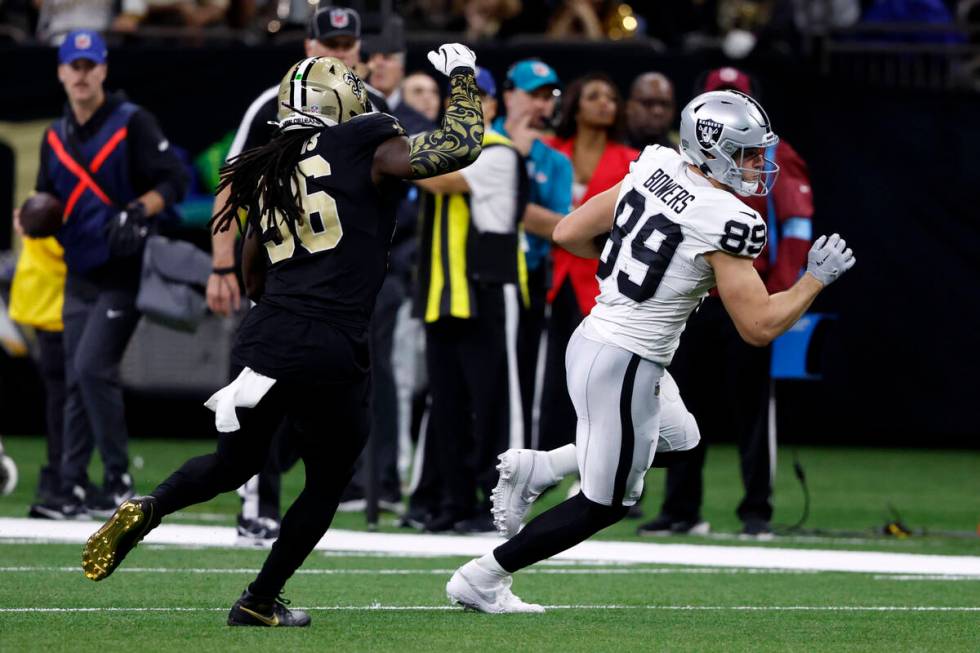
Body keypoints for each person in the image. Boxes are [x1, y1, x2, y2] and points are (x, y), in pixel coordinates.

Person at [83, 43, 484, 627]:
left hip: (267, 336)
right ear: (343, 99)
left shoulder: (269, 162)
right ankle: (259, 599)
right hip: (331, 342)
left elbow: (251, 263)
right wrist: (463, 76)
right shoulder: (362, 141)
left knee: (233, 464)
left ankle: (152, 504)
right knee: (327, 479)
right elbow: (460, 145)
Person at [446, 88, 855, 613]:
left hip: (596, 338)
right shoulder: (727, 218)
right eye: (748, 152)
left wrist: (655, 275)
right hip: (625, 361)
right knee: (606, 502)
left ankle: (544, 466)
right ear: (711, 148)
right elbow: (757, 327)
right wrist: (814, 280)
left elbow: (569, 232)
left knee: (681, 442)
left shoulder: (654, 166)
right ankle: (483, 577)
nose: (759, 164)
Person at [205, 3, 391, 542]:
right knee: (262, 398)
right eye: (328, 45)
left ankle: (310, 492)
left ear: (359, 51)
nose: (337, 54)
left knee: (322, 405)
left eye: (346, 46)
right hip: (289, 282)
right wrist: (222, 263)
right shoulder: (273, 104)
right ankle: (257, 503)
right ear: (309, 47)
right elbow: (231, 185)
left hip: (342, 288)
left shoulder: (372, 111)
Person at [638, 67, 815, 538]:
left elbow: (796, 224)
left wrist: (779, 292)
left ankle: (756, 510)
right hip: (693, 293)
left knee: (752, 407)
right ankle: (680, 508)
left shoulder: (775, 154)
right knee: (679, 404)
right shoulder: (680, 159)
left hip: (745, 290)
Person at [37, 30, 188, 518]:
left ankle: (118, 476)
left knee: (91, 368)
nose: (81, 75)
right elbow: (47, 199)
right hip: (78, 270)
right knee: (75, 376)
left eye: (89, 65)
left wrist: (140, 209)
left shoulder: (131, 122)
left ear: (103, 70)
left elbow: (175, 178)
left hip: (125, 270)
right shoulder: (54, 135)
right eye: (73, 66)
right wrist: (33, 216)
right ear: (61, 72)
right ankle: (71, 485)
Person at [410, 67, 528, 533]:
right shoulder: (443, 147)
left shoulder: (497, 151)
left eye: (477, 95)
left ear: (495, 106)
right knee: (449, 405)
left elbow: (437, 178)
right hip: (442, 291)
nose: (467, 103)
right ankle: (454, 502)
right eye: (458, 96)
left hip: (488, 287)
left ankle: (497, 504)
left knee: (495, 405)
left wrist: (389, 142)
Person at [540, 72, 637, 454]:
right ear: (576, 104)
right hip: (549, 276)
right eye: (594, 96)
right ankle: (547, 461)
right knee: (551, 381)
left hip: (604, 282)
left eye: (611, 98)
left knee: (603, 381)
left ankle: (610, 466)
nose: (604, 103)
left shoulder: (631, 161)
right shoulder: (549, 150)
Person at [491, 59, 573, 447]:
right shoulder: (480, 141)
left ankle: (510, 469)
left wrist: (508, 198)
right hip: (477, 281)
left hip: (529, 282)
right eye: (532, 95)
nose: (541, 106)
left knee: (521, 382)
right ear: (508, 94)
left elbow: (560, 227)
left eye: (548, 97)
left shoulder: (556, 160)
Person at [8, 210, 68, 518]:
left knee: (65, 395)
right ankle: (62, 477)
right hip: (53, 304)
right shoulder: (59, 200)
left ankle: (62, 475)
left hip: (47, 302)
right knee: (64, 396)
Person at [625, 72, 677, 150]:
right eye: (648, 103)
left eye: (665, 104)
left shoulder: (682, 158)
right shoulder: (604, 152)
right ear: (629, 107)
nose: (658, 111)